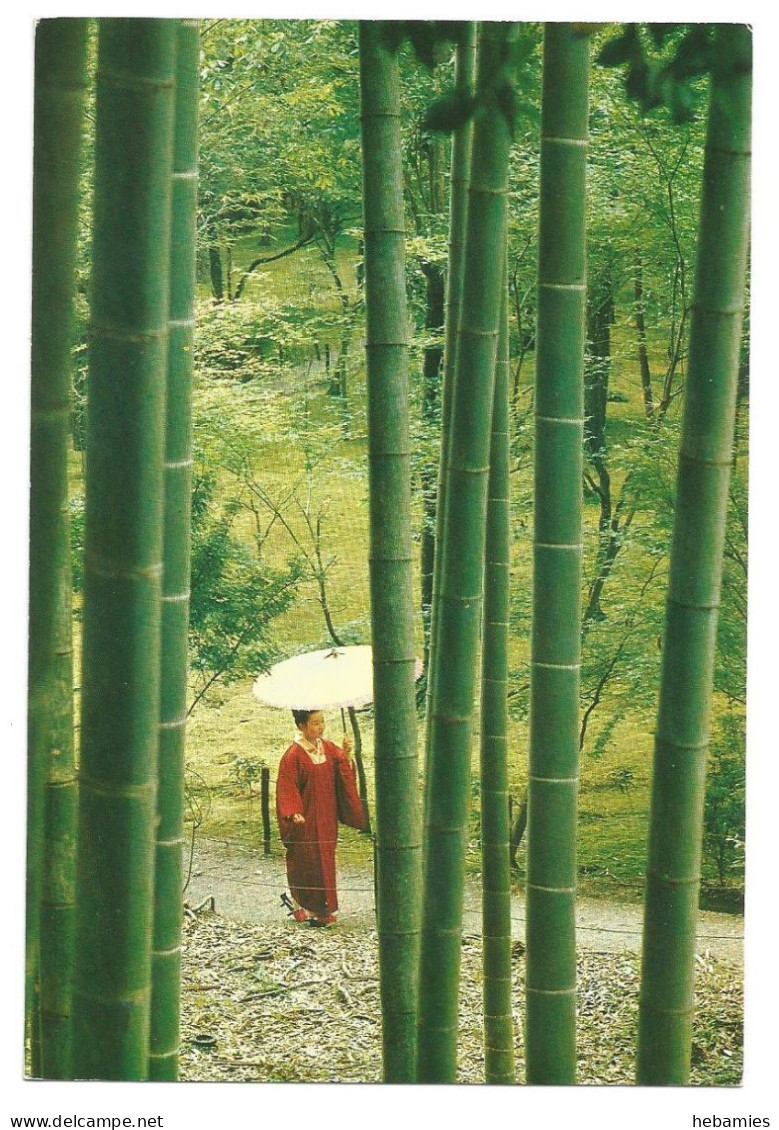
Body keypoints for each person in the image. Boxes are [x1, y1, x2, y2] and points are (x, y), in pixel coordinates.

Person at [276, 708, 366, 926]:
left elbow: (343, 771)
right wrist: (292, 811)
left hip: (326, 816)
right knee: (306, 862)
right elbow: (286, 787)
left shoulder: (327, 747)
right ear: (301, 726)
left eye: (321, 722)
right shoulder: (293, 755)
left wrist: (345, 755)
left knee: (324, 862)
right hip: (305, 819)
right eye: (315, 723)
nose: (320, 727)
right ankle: (304, 905)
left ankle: (321, 908)